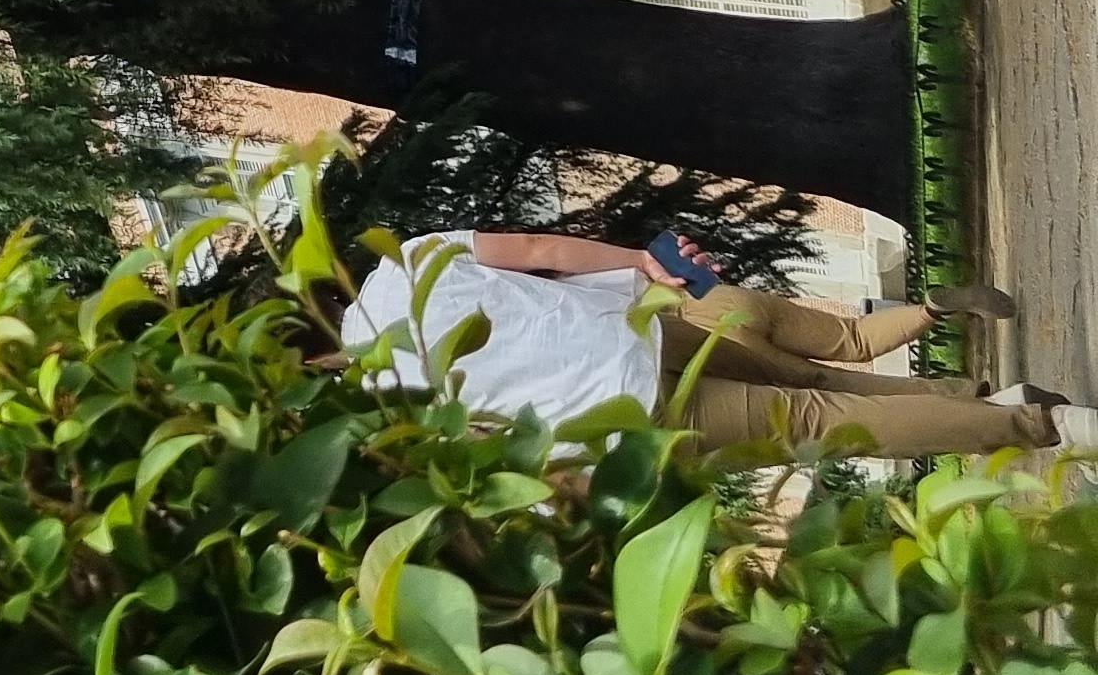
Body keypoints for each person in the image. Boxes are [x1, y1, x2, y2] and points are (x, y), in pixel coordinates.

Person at [341, 229, 1087, 461]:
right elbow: (540, 252)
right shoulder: (409, 257)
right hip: (639, 328)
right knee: (824, 378)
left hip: (619, 417)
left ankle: (1038, 425)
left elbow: (486, 446)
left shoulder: (378, 400)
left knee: (821, 421)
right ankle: (1000, 402)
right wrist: (641, 263)